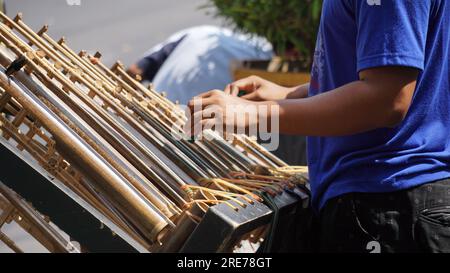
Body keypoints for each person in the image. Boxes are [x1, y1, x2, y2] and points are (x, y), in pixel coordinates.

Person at [188, 1, 450, 253]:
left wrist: (257, 113)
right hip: (382, 202)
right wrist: (289, 94)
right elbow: (380, 77)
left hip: (392, 204)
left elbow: (387, 100)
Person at [128, 25, 273, 105]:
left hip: (149, 113)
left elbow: (136, 70)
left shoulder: (203, 32)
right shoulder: (267, 63)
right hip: (197, 138)